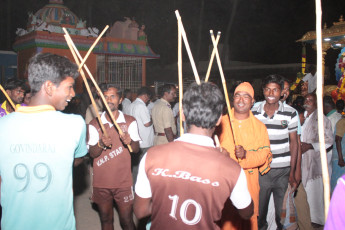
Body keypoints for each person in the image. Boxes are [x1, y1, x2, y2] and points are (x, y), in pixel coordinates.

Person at [134, 81, 254, 230]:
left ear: (182, 114)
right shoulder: (231, 169)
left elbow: (140, 211)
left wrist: (166, 205)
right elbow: (247, 212)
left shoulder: (151, 156)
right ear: (218, 119)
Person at [0, 53, 87, 230]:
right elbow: (76, 159)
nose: (72, 93)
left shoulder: (3, 125)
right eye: (69, 87)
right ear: (49, 87)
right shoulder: (75, 124)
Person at [218, 82, 272, 230]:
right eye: (238, 96)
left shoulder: (260, 127)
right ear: (232, 99)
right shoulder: (220, 122)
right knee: (225, 222)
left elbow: (263, 155)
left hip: (249, 184)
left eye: (246, 97)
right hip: (224, 184)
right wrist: (219, 155)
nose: (241, 100)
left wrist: (246, 155)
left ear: (253, 101)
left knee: (248, 222)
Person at [88, 84, 140, 230]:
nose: (109, 100)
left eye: (113, 96)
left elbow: (136, 150)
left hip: (123, 182)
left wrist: (130, 141)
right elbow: (92, 154)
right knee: (106, 220)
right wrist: (100, 143)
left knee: (126, 221)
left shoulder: (129, 121)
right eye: (105, 96)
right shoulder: (94, 123)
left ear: (120, 99)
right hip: (102, 182)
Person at [251, 75, 298, 230]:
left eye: (275, 89)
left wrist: (292, 172)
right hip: (261, 171)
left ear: (281, 92)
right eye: (268, 89)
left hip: (283, 172)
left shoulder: (290, 113)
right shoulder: (254, 111)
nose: (271, 93)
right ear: (263, 91)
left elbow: (294, 144)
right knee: (259, 214)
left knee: (282, 215)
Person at [300, 93, 333, 226]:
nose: (307, 101)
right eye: (306, 99)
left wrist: (310, 146)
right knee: (304, 194)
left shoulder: (323, 119)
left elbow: (329, 141)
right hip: (300, 162)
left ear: (316, 103)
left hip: (314, 162)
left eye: (310, 100)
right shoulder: (300, 117)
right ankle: (306, 220)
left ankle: (318, 221)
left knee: (315, 195)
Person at [127, 86, 154, 184]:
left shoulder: (132, 104)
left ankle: (134, 186)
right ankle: (140, 187)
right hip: (145, 141)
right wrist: (152, 119)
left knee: (135, 166)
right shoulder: (141, 106)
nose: (148, 100)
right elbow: (147, 123)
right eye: (148, 98)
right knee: (144, 166)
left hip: (135, 140)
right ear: (145, 96)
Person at [331, 117, 345, 193]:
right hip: (340, 158)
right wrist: (340, 158)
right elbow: (338, 139)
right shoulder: (342, 122)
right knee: (338, 184)